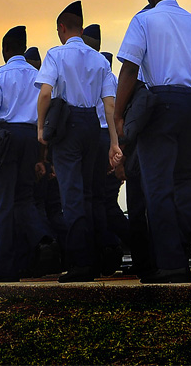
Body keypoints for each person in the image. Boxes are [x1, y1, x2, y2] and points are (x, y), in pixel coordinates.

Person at [114, 0, 191, 284]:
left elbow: (130, 70)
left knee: (158, 187)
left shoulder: (144, 20)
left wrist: (120, 115)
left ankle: (172, 264)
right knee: (187, 180)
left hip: (158, 104)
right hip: (190, 103)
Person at [36, 1, 120, 282]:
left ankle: (80, 263)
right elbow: (110, 105)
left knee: (71, 195)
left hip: (68, 126)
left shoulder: (56, 54)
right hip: (93, 127)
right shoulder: (99, 59)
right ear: (81, 29)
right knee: (91, 195)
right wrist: (113, 142)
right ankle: (97, 258)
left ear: (61, 28)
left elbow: (46, 94)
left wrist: (41, 129)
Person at [0, 26, 59, 282]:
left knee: (2, 205)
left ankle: (7, 268)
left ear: (5, 49)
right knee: (23, 201)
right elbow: (44, 117)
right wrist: (41, 156)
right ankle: (43, 239)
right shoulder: (38, 75)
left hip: (5, 139)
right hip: (32, 139)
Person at [82, 23, 124, 276]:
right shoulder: (111, 77)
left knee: (92, 199)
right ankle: (107, 247)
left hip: (91, 139)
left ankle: (103, 248)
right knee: (102, 200)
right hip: (105, 140)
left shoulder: (83, 73)